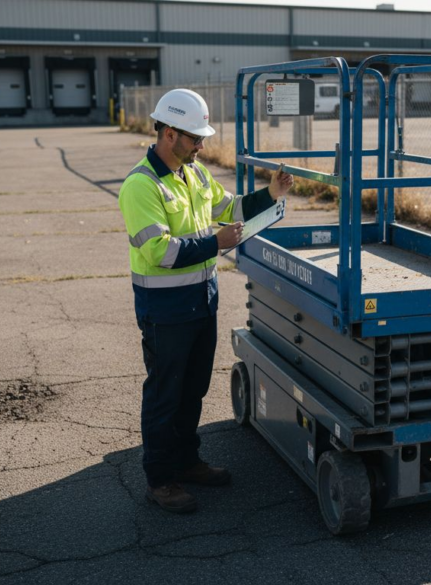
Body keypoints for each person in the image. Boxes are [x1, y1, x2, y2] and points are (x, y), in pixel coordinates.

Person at [118, 88, 292, 514]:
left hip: (201, 302)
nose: (202, 145)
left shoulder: (193, 174)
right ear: (170, 133)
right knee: (165, 394)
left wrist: (269, 195)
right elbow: (161, 250)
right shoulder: (141, 185)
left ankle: (187, 461)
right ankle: (161, 480)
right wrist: (214, 242)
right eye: (196, 137)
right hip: (165, 310)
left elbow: (229, 205)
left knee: (193, 389)